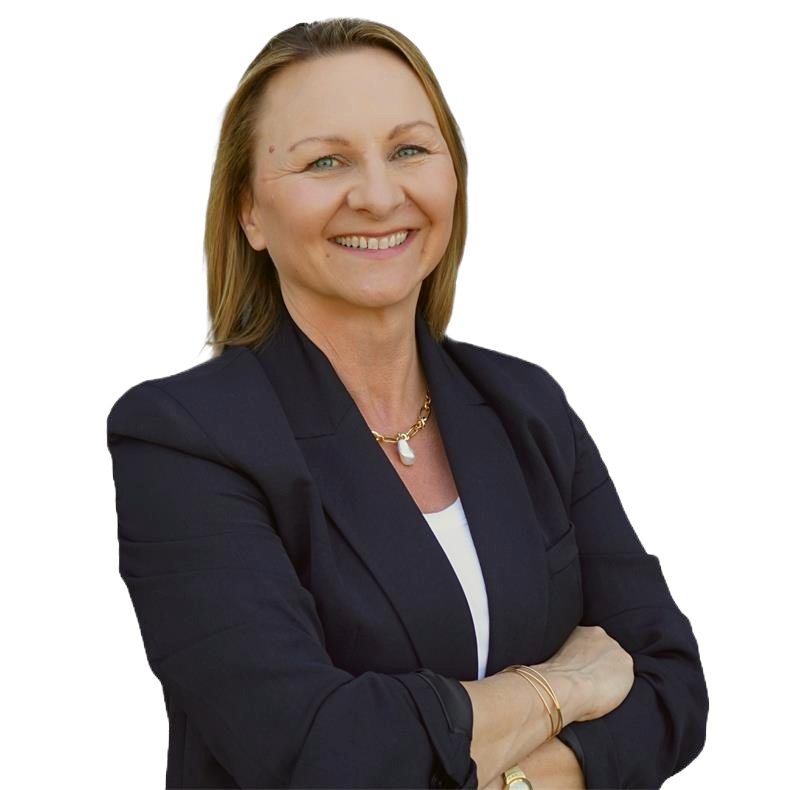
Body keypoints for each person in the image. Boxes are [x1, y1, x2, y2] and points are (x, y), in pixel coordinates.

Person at [107, 15, 709, 790]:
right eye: (326, 161)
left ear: (452, 179)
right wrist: (562, 686)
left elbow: (673, 688)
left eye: (409, 150)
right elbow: (318, 753)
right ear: (249, 212)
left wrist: (519, 780)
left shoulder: (526, 402)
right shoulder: (183, 436)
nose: (379, 193)